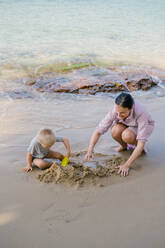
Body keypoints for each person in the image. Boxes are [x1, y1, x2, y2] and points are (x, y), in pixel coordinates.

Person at [84, 93, 154, 176]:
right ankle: (124, 146)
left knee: (127, 136)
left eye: (122, 113)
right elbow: (98, 131)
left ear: (131, 108)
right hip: (126, 123)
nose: (119, 116)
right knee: (115, 130)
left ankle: (137, 150)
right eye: (117, 113)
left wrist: (126, 165)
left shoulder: (141, 113)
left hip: (142, 126)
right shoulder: (116, 110)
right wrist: (90, 150)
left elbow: (141, 143)